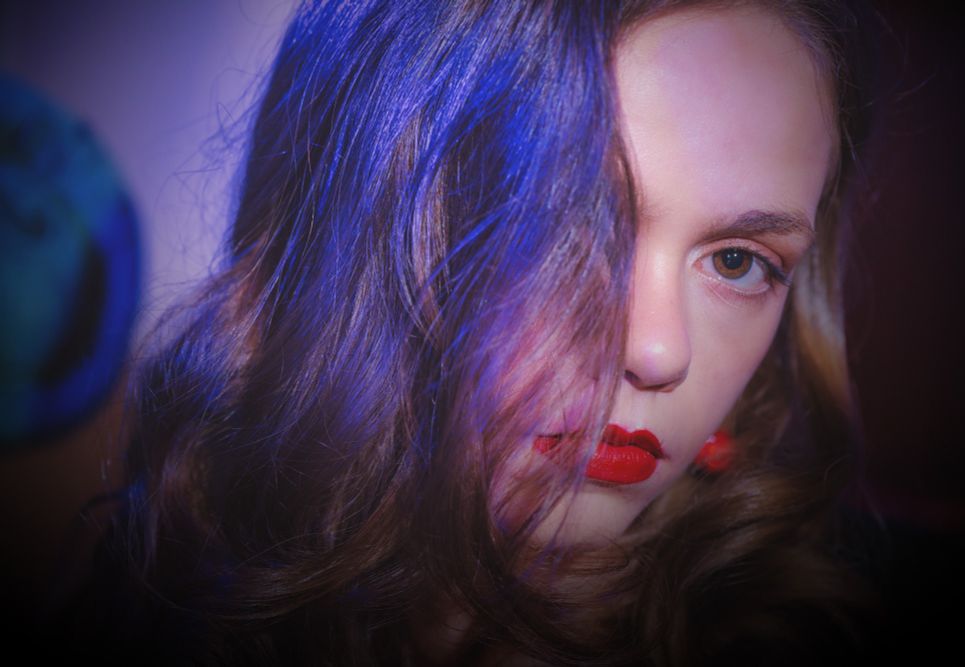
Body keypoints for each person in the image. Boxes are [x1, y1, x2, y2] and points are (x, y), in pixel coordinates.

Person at [74, 0, 875, 664]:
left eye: (738, 261)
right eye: (568, 218)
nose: (659, 350)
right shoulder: (151, 604)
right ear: (360, 234)